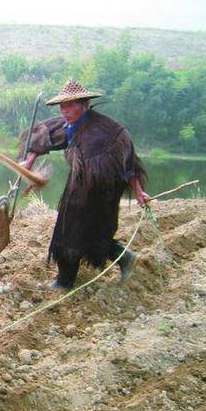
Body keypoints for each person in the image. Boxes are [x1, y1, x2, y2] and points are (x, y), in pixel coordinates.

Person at [21, 79, 150, 290]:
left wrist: (138, 191)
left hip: (101, 193)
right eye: (63, 106)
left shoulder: (106, 130)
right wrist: (30, 160)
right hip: (79, 188)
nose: (65, 110)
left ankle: (65, 282)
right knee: (80, 231)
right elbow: (50, 138)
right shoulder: (70, 124)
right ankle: (124, 258)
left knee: (76, 232)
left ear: (85, 104)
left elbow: (129, 162)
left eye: (71, 105)